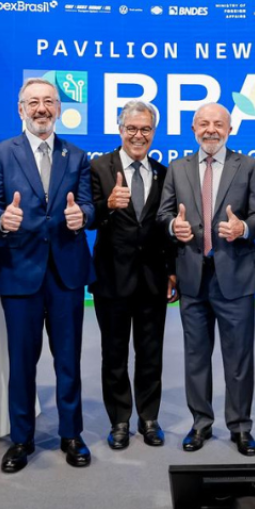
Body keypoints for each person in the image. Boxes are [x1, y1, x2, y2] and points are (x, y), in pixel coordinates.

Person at [0, 77, 95, 473]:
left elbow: (88, 205)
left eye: (49, 101)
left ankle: (71, 434)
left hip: (66, 275)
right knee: (22, 362)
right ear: (21, 109)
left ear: (59, 108)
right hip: (19, 271)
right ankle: (21, 439)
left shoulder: (77, 156)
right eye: (33, 102)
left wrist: (82, 216)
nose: (41, 108)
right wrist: (2, 218)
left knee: (68, 360)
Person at [157, 103, 255, 456]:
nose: (211, 130)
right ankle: (201, 424)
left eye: (218, 124)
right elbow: (163, 213)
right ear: (193, 129)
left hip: (235, 276)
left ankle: (240, 426)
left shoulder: (248, 166)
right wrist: (172, 226)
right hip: (192, 277)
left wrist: (243, 228)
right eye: (203, 123)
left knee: (239, 358)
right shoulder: (178, 168)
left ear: (230, 129)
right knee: (196, 357)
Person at [89, 100, 177, 449]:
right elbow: (87, 217)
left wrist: (172, 271)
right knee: (114, 354)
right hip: (111, 278)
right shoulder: (98, 167)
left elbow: (168, 227)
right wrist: (107, 206)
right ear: (120, 129)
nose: (138, 135)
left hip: (153, 279)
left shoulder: (164, 173)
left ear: (153, 133)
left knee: (151, 353)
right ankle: (120, 420)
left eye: (145, 129)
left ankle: (149, 418)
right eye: (132, 129)